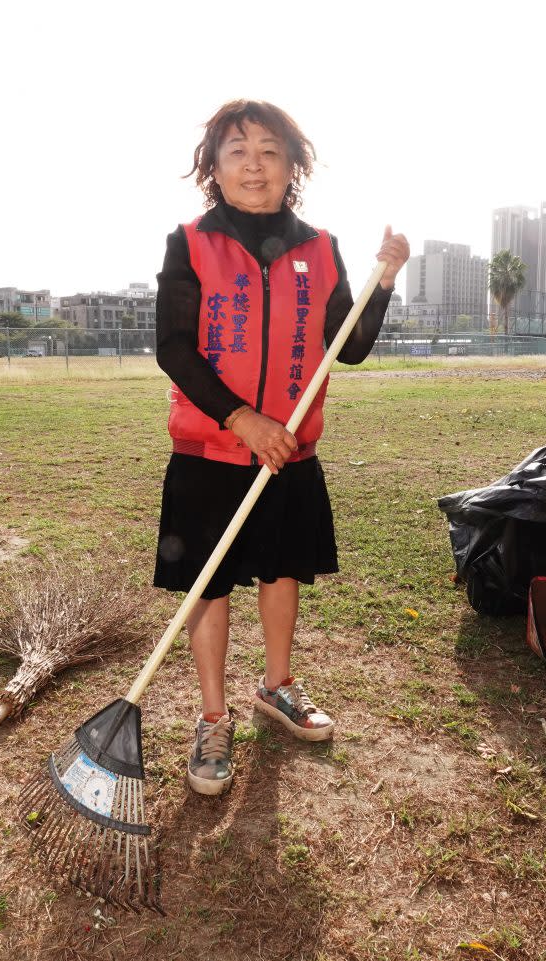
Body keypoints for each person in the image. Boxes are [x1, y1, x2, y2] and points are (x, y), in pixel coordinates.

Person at [154, 99, 409, 796]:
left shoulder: (320, 248)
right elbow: (173, 347)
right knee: (208, 586)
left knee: (281, 570)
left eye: (269, 150)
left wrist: (383, 281)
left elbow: (349, 348)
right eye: (236, 150)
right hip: (212, 452)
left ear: (294, 164)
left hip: (289, 455)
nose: (254, 165)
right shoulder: (190, 241)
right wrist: (240, 419)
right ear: (212, 165)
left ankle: (276, 686)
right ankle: (212, 717)